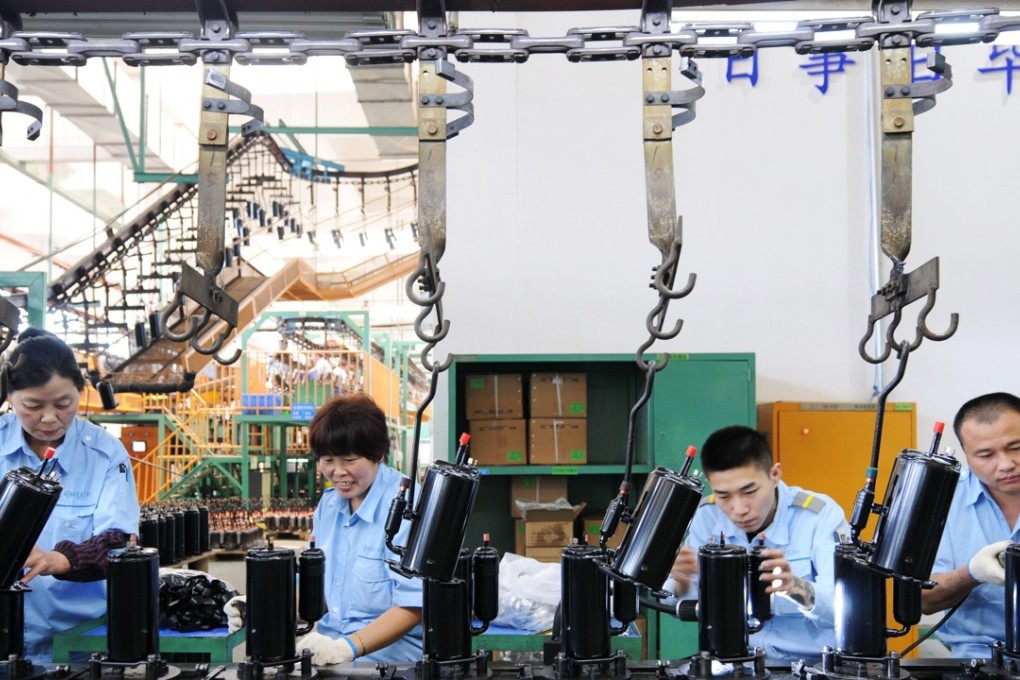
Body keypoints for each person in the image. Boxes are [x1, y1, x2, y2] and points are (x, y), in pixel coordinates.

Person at [0, 328, 140, 661]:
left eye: (64, 404)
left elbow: (120, 543)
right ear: (9, 397)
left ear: (80, 390)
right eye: (32, 405)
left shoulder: (106, 455)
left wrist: (57, 559)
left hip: (78, 647)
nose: (49, 418)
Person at [668, 425, 849, 662]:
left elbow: (843, 608)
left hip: (812, 662)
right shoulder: (707, 516)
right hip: (737, 660)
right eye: (723, 496)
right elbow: (693, 599)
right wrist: (679, 583)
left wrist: (795, 587)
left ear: (775, 474)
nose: (739, 509)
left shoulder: (820, 516)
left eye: (750, 491)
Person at [296, 393, 423, 664]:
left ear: (378, 454)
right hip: (333, 654)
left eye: (350, 460)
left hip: (395, 661)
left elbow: (414, 606)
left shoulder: (408, 507)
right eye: (328, 460)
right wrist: (261, 605)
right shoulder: (329, 507)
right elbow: (315, 586)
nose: (338, 472)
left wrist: (348, 648)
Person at [921, 392, 1020, 658]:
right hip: (977, 659)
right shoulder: (942, 501)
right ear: (966, 455)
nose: (1006, 464)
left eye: (1016, 447)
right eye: (986, 455)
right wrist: (972, 573)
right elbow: (922, 600)